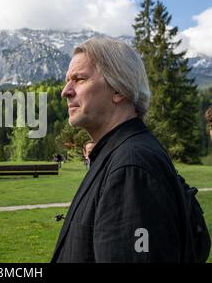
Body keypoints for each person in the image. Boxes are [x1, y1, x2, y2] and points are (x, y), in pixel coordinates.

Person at [52, 37, 204, 262]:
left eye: (79, 79)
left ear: (118, 90)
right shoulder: (117, 155)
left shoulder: (131, 168)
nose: (66, 91)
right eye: (67, 81)